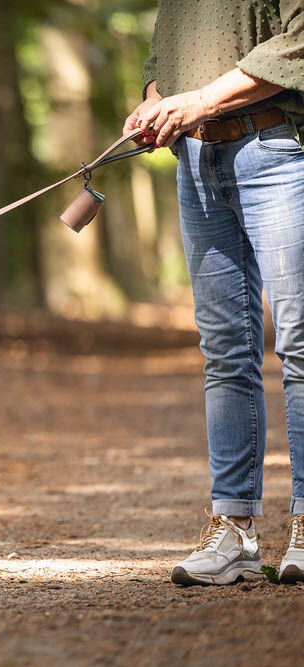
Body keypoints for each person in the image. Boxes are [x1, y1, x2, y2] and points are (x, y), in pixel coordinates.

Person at [123, 1, 304, 585]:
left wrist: (201, 100)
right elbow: (165, 49)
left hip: (279, 149)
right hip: (197, 160)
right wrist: (156, 101)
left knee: (299, 346)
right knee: (225, 352)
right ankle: (236, 532)